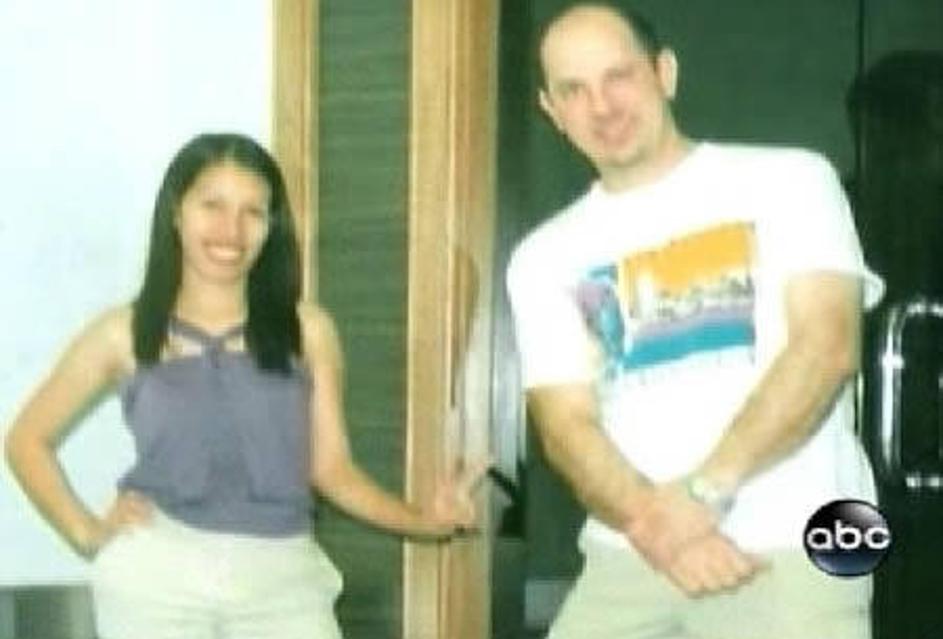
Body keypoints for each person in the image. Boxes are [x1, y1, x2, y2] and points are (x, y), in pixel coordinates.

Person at [4, 132, 485, 639]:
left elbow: (332, 470)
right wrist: (86, 532)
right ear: (176, 212)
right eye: (212, 205)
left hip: (283, 579)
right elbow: (25, 440)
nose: (231, 230)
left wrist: (425, 521)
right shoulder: (121, 332)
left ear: (271, 226)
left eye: (253, 212)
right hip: (156, 576)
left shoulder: (308, 330)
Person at [506, 3, 884, 638]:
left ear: (665, 73)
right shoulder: (542, 257)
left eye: (619, 76)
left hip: (795, 545)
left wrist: (703, 495)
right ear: (552, 111)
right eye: (574, 89)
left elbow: (826, 350)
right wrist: (655, 524)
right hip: (632, 550)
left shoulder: (792, 181)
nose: (602, 106)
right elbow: (565, 425)